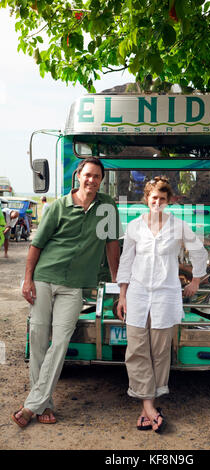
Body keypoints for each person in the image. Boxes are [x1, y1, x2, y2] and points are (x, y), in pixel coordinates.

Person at [12, 156, 122, 427]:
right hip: (45, 278)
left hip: (74, 285)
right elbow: (36, 246)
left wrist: (119, 286)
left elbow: (111, 246)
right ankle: (44, 404)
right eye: (88, 175)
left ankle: (30, 406)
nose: (92, 180)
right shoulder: (59, 206)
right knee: (38, 338)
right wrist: (28, 280)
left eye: (97, 176)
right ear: (78, 177)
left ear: (101, 180)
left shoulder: (107, 207)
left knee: (60, 342)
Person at [116, 176, 208, 433]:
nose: (157, 202)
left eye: (162, 198)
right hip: (137, 294)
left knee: (159, 352)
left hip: (166, 295)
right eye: (153, 197)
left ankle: (147, 408)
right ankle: (149, 408)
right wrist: (122, 295)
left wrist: (196, 281)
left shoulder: (178, 226)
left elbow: (199, 251)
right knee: (136, 351)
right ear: (147, 199)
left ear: (169, 201)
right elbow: (126, 261)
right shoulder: (134, 227)